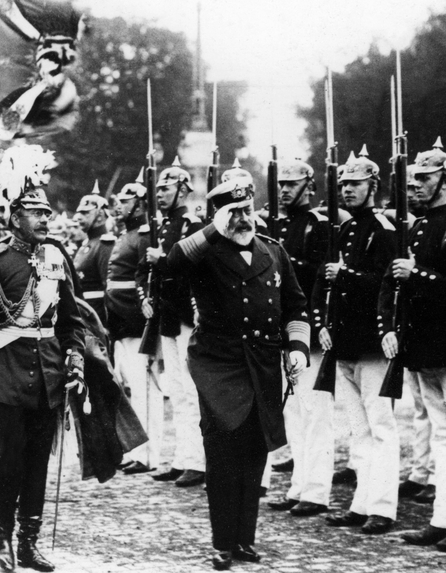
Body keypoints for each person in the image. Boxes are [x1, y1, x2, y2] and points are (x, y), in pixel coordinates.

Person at [0, 146, 86, 572]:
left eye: (47, 212)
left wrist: (75, 356)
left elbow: (72, 320)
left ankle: (30, 542)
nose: (46, 218)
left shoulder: (57, 258)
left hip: (48, 374)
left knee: (39, 460)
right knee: (12, 458)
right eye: (35, 212)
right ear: (14, 217)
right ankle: (3, 537)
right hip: (7, 374)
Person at [168, 179, 309, 570]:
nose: (243, 219)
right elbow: (173, 263)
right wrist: (215, 228)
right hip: (218, 364)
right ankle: (222, 543)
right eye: (234, 213)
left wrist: (296, 348)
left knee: (255, 452)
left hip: (262, 365)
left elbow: (296, 306)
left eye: (247, 210)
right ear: (219, 216)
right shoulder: (206, 251)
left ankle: (244, 540)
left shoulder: (273, 251)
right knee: (223, 453)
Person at [381, 140, 446, 553]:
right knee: (441, 436)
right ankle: (443, 517)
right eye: (412, 181)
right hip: (423, 346)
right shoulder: (417, 227)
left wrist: (418, 274)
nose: (415, 187)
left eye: (423, 179)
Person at [313, 147, 400, 536]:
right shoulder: (347, 229)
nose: (347, 190)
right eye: (344, 184)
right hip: (345, 340)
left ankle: (382, 507)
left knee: (381, 426)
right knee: (357, 428)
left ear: (374, 186)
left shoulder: (384, 229)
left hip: (371, 341)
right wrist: (325, 324)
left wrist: (345, 275)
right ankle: (362, 502)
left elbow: (386, 283)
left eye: (355, 184)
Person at [265, 159, 333, 518]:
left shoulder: (318, 224)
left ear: (309, 186)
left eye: (292, 184)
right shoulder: (277, 224)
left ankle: (317, 490)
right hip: (283, 327)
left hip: (308, 325)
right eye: (282, 185)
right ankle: (299, 485)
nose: (285, 190)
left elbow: (322, 272)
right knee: (293, 409)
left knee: (314, 411)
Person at [143, 157, 206, 487]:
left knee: (191, 391)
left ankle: (197, 460)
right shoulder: (165, 225)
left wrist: (163, 261)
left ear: (183, 189)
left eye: (166, 188)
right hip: (168, 315)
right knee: (178, 391)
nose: (161, 194)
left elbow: (193, 270)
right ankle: (183, 457)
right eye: (159, 189)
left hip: (185, 315)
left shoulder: (191, 224)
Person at [105, 176, 163, 476]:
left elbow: (146, 280)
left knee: (144, 390)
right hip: (121, 321)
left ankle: (150, 454)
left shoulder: (144, 235)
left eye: (125, 201)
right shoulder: (126, 233)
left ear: (140, 203)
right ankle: (140, 450)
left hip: (135, 321)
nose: (119, 206)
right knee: (134, 390)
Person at [73, 181, 114, 323]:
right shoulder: (87, 244)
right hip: (83, 313)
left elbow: (108, 287)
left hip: (97, 315)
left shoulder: (105, 244)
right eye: (79, 212)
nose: (78, 217)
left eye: (85, 213)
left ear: (100, 215)